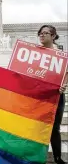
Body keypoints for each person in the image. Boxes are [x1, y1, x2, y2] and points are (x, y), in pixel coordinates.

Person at [38, 24, 67, 164]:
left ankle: (57, 157)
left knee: (54, 127)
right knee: (37, 126)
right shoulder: (35, 53)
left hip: (56, 95)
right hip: (39, 95)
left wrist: (63, 84)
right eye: (40, 33)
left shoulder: (60, 54)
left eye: (45, 33)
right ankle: (35, 157)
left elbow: (66, 72)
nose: (42, 35)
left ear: (53, 36)